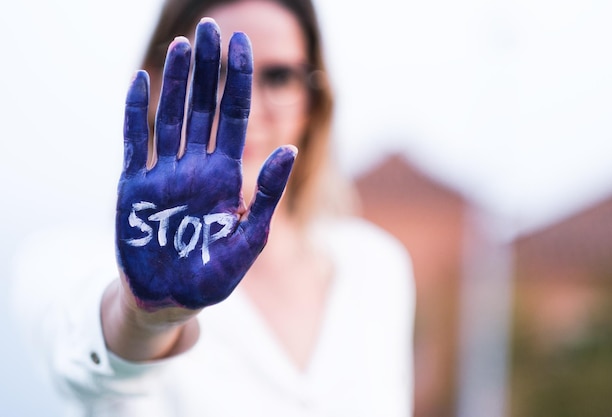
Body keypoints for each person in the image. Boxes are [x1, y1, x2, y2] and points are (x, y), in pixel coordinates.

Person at [12, 0, 416, 415]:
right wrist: (147, 318)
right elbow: (86, 362)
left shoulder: (376, 266)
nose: (247, 107)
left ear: (314, 101)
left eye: (278, 77)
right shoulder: (61, 262)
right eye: (215, 71)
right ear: (159, 81)